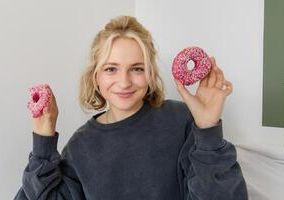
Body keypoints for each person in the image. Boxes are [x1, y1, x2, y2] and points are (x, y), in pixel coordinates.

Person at [14, 15, 248, 200]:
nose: (124, 82)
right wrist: (43, 141)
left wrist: (207, 129)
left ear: (150, 73)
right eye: (111, 69)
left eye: (137, 68)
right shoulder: (81, 146)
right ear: (95, 76)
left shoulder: (181, 120)